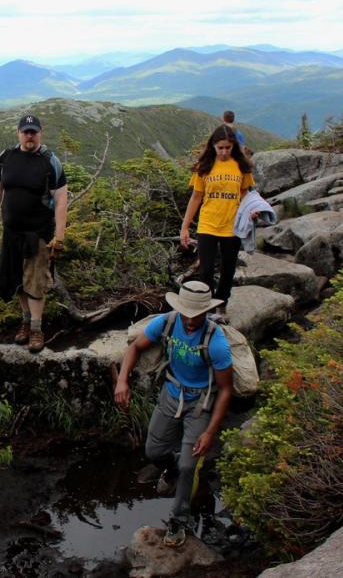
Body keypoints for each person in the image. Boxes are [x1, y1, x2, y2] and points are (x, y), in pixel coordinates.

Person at [114, 281, 234, 547]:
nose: (191, 320)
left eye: (197, 315)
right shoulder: (167, 322)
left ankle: (179, 522)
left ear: (206, 312)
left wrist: (210, 432)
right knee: (153, 452)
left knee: (189, 465)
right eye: (186, 314)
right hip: (171, 393)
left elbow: (226, 389)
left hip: (201, 402)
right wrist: (123, 380)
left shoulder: (216, 343)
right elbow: (135, 347)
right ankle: (172, 467)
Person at [0, 114, 68, 353]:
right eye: (25, 131)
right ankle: (25, 321)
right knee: (17, 280)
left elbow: (61, 199)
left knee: (36, 281)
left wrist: (59, 236)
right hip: (12, 233)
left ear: (41, 132)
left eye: (33, 131)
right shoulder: (6, 157)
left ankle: (36, 328)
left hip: (38, 233)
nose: (29, 135)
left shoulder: (50, 161)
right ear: (18, 133)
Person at [179, 125, 255, 322]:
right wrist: (185, 227)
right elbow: (196, 197)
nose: (223, 152)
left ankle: (221, 305)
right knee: (205, 269)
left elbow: (246, 193)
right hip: (208, 225)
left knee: (228, 269)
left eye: (227, 148)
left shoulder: (241, 166)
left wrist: (252, 211)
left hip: (232, 226)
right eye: (220, 148)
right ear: (213, 146)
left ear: (233, 147)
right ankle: (207, 308)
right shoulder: (204, 167)